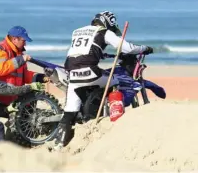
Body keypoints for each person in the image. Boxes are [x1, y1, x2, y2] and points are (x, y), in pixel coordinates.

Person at [51, 11, 154, 151]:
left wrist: (102, 54)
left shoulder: (77, 31)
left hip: (72, 74)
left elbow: (84, 50)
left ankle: (59, 144)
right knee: (115, 81)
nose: (111, 31)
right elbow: (127, 48)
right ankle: (115, 118)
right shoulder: (104, 32)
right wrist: (145, 48)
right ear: (107, 23)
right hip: (90, 73)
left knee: (69, 111)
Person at [0, 26, 49, 148]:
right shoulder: (0, 49)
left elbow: (23, 75)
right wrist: (20, 59)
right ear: (15, 39)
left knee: (23, 122)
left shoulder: (18, 53)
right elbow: (1, 69)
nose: (25, 43)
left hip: (11, 98)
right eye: (24, 40)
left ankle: (16, 149)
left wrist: (41, 77)